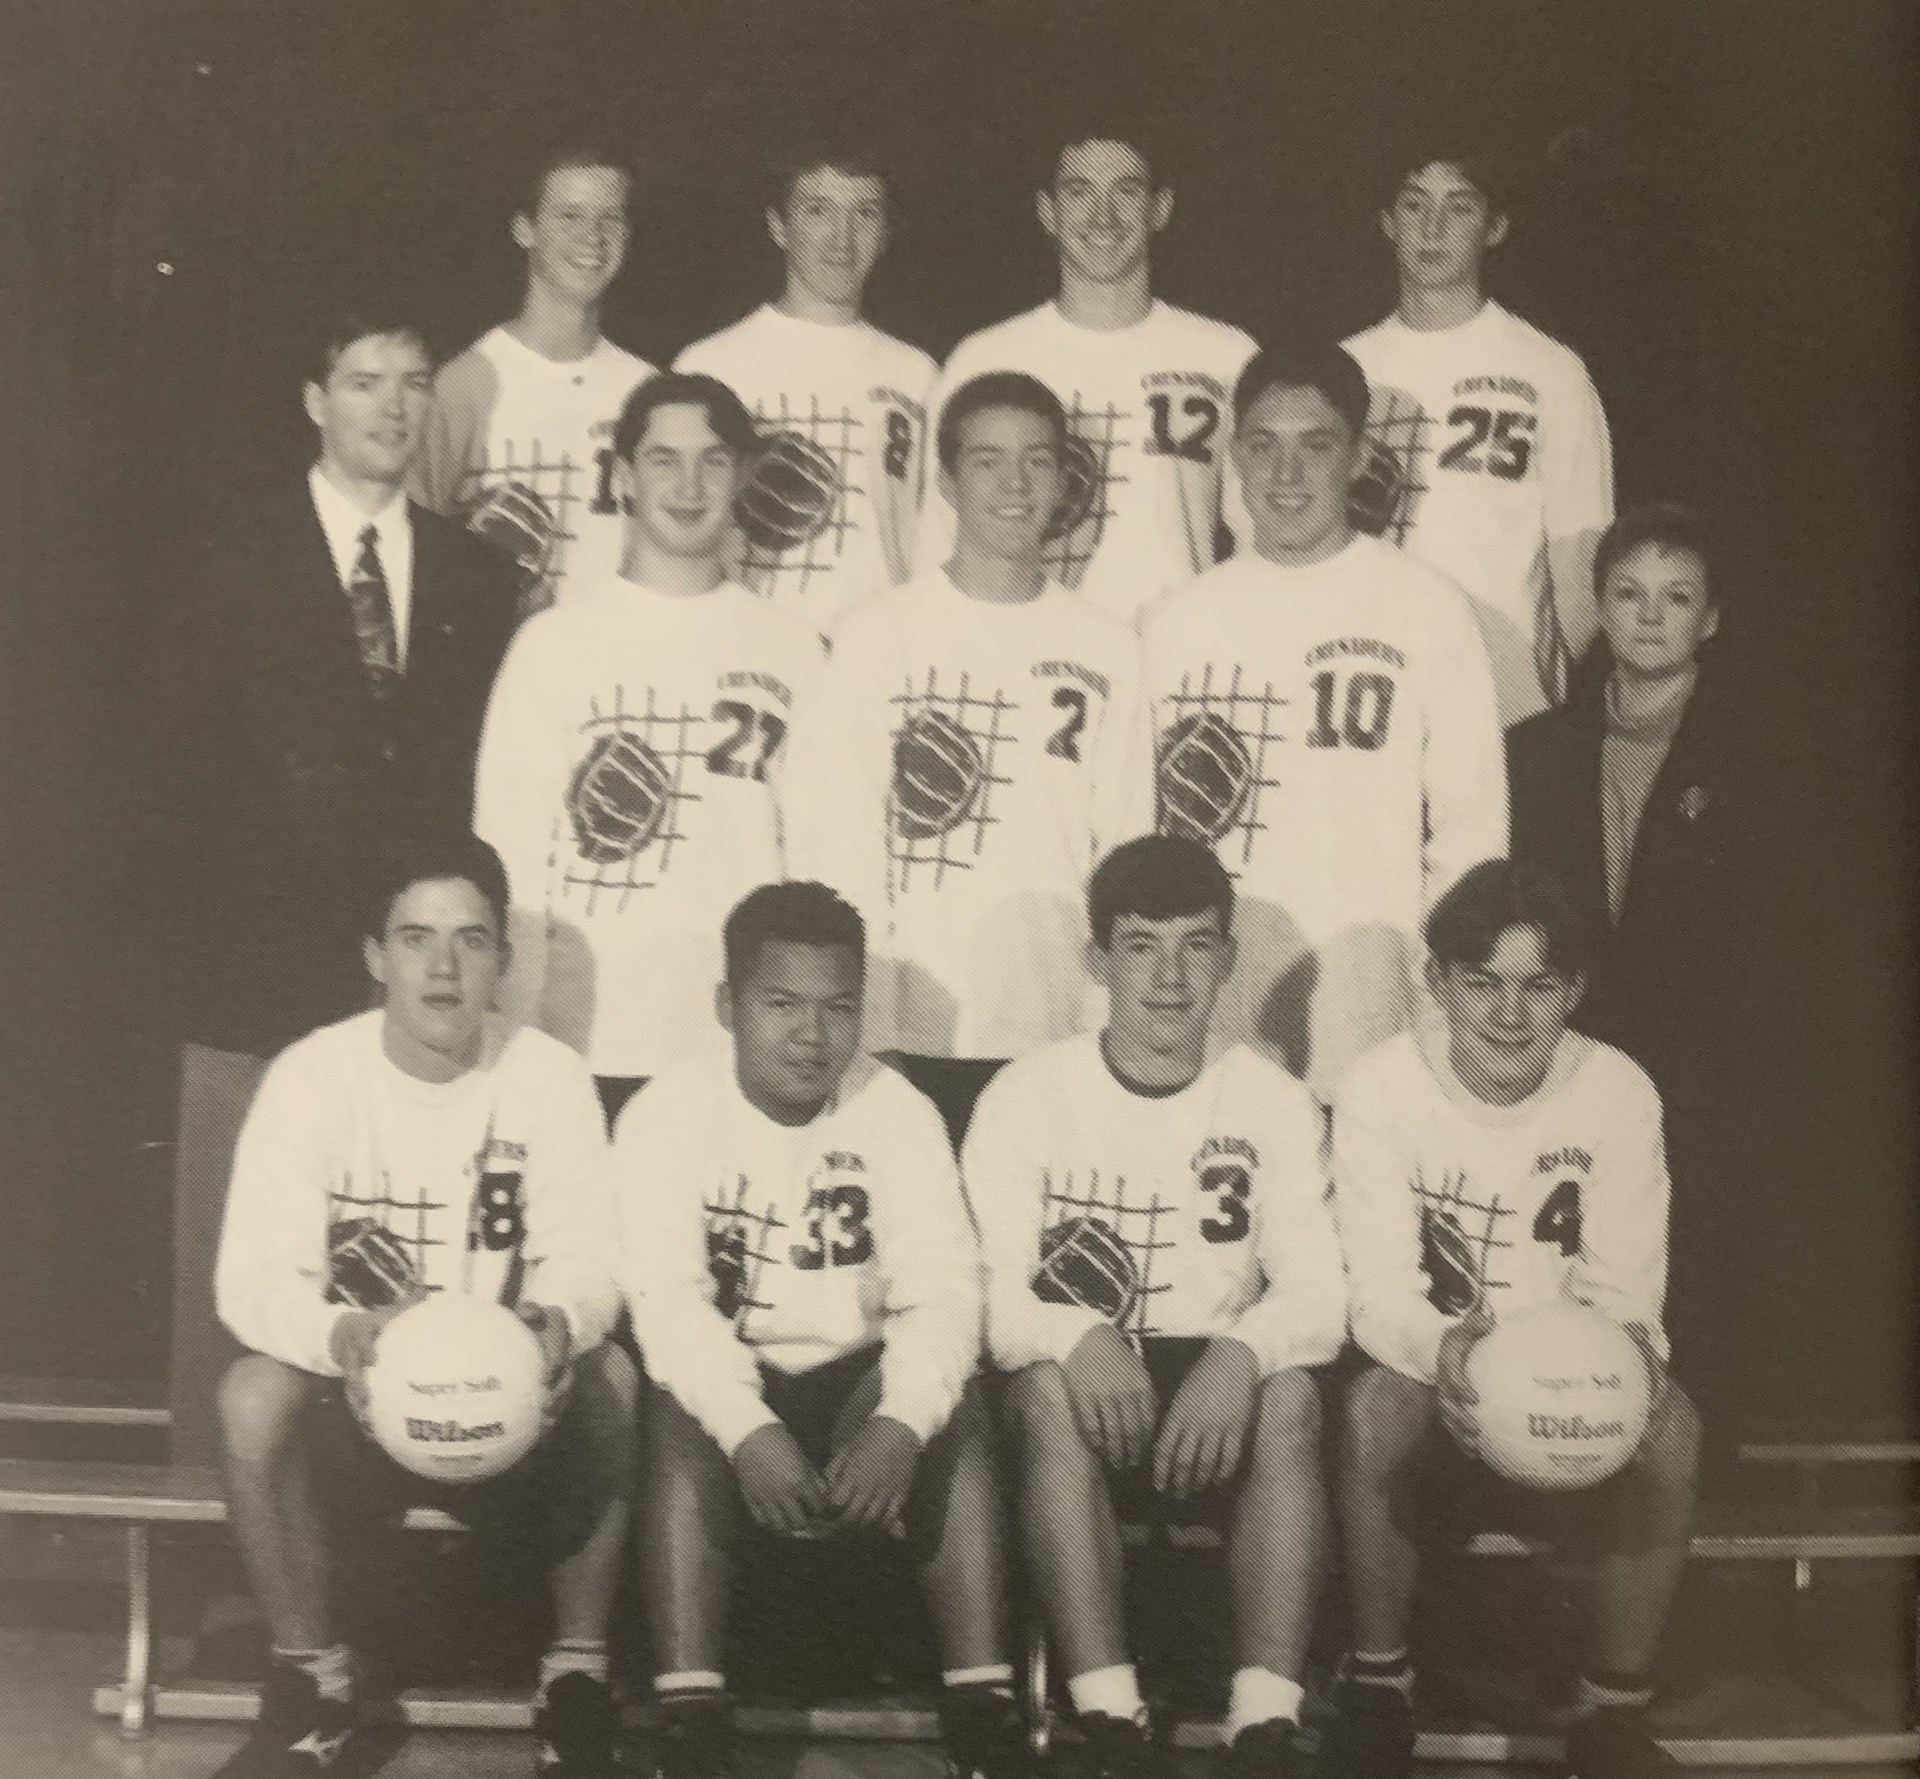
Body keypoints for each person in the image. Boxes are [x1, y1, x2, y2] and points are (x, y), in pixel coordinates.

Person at [166, 304, 518, 1461]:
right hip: (255, 963)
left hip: (407, 974)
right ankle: (225, 1541)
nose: (394, 407)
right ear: (317, 401)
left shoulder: (476, 570)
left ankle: (393, 1504)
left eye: (414, 383)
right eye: (366, 381)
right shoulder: (228, 550)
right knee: (245, 1253)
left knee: (394, 1246)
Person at [211, 833, 635, 1779]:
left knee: (612, 1373)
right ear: (375, 956)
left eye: (471, 939)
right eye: (415, 938)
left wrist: (559, 1323)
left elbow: (591, 1260)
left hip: (513, 1406)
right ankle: (311, 1684)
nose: (443, 967)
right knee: (248, 1395)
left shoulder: (548, 1077)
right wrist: (346, 1335)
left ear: (503, 958)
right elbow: (251, 1280)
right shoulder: (312, 1076)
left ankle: (575, 1684)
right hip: (357, 1407)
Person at [616, 881, 1026, 1779]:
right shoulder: (665, 1113)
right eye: (782, 1004)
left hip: (854, 1377)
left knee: (947, 1405)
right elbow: (668, 1306)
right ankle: (691, 1717)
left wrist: (899, 1424)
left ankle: (983, 1706)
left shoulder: (897, 1108)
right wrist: (750, 1428)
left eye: (840, 1008)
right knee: (679, 1405)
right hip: (734, 1379)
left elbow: (945, 1294)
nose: (813, 1035)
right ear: (727, 1006)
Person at [965, 836, 1346, 1778]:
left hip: (1209, 1392)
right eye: (1141, 946)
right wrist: (1078, 1330)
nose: (1170, 978)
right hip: (1084, 1393)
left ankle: (1264, 1720)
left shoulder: (1273, 1101)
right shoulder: (1025, 1094)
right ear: (1098, 961)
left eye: (1197, 946)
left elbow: (1318, 1291)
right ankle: (1109, 1716)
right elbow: (982, 1292)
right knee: (1049, 1392)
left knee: (1293, 1396)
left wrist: (1242, 1355)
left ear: (1227, 958)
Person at [1325, 858, 1700, 1779]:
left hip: (1570, 1372)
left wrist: (1625, 1370)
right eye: (1482, 982)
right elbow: (1375, 1291)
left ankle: (1613, 1711)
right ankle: (1379, 1685)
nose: (1509, 1014)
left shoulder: (1616, 1089)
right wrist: (1443, 1352)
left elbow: (1627, 1293)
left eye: (1539, 986)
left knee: (1676, 1429)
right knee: (1372, 1410)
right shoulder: (1380, 1086)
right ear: (1438, 981)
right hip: (1435, 1368)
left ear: (1573, 990)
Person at [1133, 343, 1506, 1101]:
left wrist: (1441, 999)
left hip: (1367, 1001)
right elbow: (1132, 835)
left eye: (1317, 446)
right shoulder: (1172, 622)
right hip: (1212, 1008)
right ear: (1233, 454)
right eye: (1264, 446)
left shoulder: (1425, 606)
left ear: (1362, 455)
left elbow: (1472, 830)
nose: (1286, 475)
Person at [784, 371, 1138, 1146]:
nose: (1015, 484)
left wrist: (1099, 1028)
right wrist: (867, 1026)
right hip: (911, 1030)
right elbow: (830, 843)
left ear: (1064, 477)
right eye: (987, 461)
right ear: (946, 480)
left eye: (1038, 461)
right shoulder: (876, 633)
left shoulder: (1108, 647)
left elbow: (1124, 854)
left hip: (1051, 1029)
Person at [472, 371, 823, 1125]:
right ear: (624, 476)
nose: (689, 484)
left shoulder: (794, 650)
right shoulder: (553, 644)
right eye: (664, 460)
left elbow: (817, 860)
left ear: (745, 476)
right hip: (582, 1042)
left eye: (714, 460)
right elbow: (509, 856)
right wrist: (516, 1037)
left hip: (735, 1050)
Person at [1507, 502, 1772, 1451]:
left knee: (1692, 1254)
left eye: (1677, 596)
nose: (1651, 615)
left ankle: (1690, 1445)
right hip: (1569, 1052)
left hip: (1702, 1061)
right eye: (1629, 592)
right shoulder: (1535, 753)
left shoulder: (1764, 759)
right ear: (1599, 608)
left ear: (1711, 619)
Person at [918, 130, 1256, 623]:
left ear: (1159, 209)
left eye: (1126, 191)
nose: (1103, 216)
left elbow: (1261, 537)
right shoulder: (984, 358)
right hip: (1023, 644)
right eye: (1079, 192)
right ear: (1047, 212)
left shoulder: (1225, 354)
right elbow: (937, 539)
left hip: (1173, 652)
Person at [1343, 142, 1614, 727]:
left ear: (1495, 227)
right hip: (1374, 689)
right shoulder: (1345, 371)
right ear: (1388, 222)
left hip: (1507, 697)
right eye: (1415, 206)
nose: (1433, 228)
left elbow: (1581, 560)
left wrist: (1537, 683)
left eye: (1459, 208)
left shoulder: (1550, 371)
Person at [675, 141, 938, 636]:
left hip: (875, 653)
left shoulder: (916, 373)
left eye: (864, 213)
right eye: (818, 211)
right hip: (747, 648)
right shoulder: (709, 366)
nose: (842, 239)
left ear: (885, 234)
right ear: (779, 226)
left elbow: (929, 540)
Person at [413, 145, 654, 619]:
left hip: (617, 662)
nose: (593, 238)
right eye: (569, 216)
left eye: (610, 219)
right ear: (525, 229)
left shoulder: (647, 391)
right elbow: (410, 554)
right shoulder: (465, 386)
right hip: (499, 671)